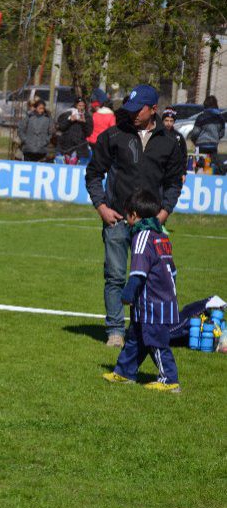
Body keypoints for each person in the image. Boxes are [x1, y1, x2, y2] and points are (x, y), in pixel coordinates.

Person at [85, 84, 184, 348]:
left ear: (153, 109)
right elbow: (93, 174)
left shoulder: (170, 142)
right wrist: (102, 207)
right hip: (116, 219)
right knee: (115, 276)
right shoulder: (113, 135)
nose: (131, 114)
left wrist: (162, 215)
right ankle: (115, 331)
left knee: (149, 281)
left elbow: (174, 183)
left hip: (151, 225)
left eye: (137, 109)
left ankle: (142, 330)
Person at [102, 189, 181, 393]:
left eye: (127, 215)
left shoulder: (142, 236)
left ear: (134, 215)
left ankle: (169, 379)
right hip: (162, 299)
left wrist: (127, 295)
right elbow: (172, 270)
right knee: (135, 338)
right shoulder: (161, 235)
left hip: (152, 302)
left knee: (156, 342)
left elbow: (138, 273)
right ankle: (124, 372)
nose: (127, 220)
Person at [55, 98, 93, 164]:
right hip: (66, 146)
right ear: (75, 105)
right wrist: (69, 120)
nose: (81, 108)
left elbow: (89, 133)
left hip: (79, 147)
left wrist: (84, 122)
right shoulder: (67, 114)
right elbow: (61, 127)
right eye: (79, 105)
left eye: (83, 106)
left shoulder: (87, 117)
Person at [188, 95, 225, 161]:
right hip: (213, 146)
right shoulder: (220, 118)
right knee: (212, 166)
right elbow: (222, 133)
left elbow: (195, 133)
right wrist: (215, 138)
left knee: (200, 167)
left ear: (205, 105)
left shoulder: (201, 117)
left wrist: (194, 141)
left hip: (201, 146)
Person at [161, 106, 188, 178]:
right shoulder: (158, 134)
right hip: (160, 173)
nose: (168, 123)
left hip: (174, 175)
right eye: (166, 120)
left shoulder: (178, 137)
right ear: (163, 121)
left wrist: (183, 173)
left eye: (171, 121)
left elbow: (183, 156)